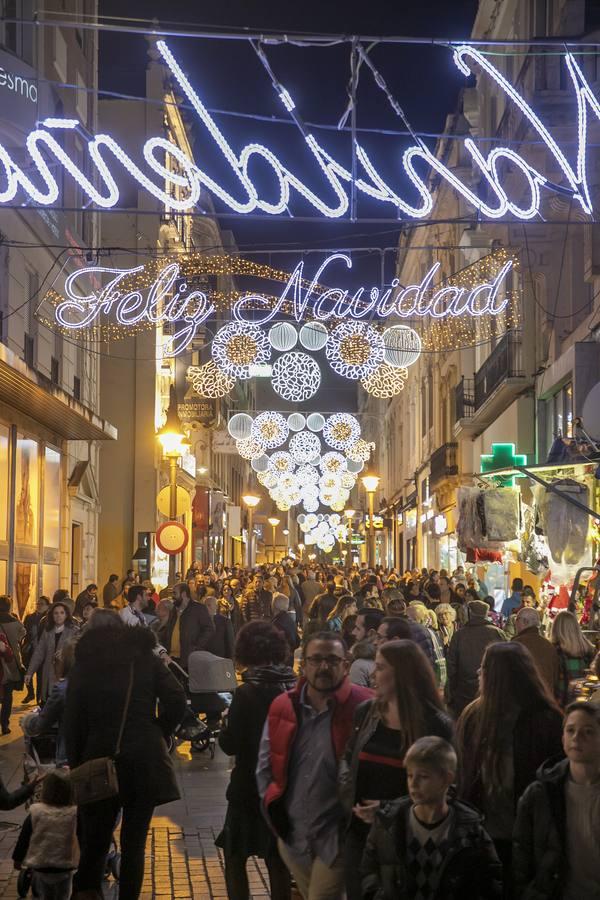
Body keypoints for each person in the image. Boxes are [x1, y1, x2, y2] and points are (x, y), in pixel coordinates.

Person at [65, 609, 186, 900]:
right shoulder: (145, 658)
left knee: (94, 842)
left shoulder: (85, 664)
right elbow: (177, 697)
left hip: (97, 758)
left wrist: (77, 762)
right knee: (134, 843)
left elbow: (73, 721)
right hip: (142, 760)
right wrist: (160, 730)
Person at [257, 632, 372, 900]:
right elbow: (265, 764)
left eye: (332, 660)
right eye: (316, 659)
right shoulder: (284, 706)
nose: (323, 667)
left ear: (346, 664)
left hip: (338, 835)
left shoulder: (364, 705)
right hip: (294, 835)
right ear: (303, 664)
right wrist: (272, 809)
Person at [339, 640, 454, 900]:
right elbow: (348, 758)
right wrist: (348, 798)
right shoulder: (366, 713)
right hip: (360, 835)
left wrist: (389, 810)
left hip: (410, 839)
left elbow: (448, 786)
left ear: (402, 673)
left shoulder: (435, 724)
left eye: (380, 667)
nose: (372, 674)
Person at [456, 642, 563, 871]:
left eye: (484, 668)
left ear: (498, 675)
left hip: (528, 834)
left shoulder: (544, 720)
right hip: (483, 831)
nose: (478, 673)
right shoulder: (474, 715)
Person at [360, 737, 503, 900]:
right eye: (410, 775)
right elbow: (369, 870)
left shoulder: (470, 831)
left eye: (423, 776)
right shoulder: (389, 823)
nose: (413, 784)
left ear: (447, 779)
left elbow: (490, 883)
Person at [216, 622, 296, 900]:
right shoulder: (293, 686)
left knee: (235, 855)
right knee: (277, 859)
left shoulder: (247, 693)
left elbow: (231, 743)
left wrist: (225, 724)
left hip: (248, 786)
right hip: (284, 785)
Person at [513, 702, 600, 900]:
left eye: (588, 732)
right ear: (562, 738)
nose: (577, 738)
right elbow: (522, 854)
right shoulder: (541, 794)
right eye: (570, 730)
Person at [12, 770, 79, 900]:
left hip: (40, 866)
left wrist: (18, 860)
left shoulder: (36, 812)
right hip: (65, 867)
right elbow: (82, 838)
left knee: (40, 895)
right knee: (63, 895)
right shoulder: (75, 814)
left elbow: (24, 839)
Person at [446, 599, 506, 716]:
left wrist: (453, 691)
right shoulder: (497, 633)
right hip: (491, 689)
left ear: (469, 613)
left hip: (464, 692)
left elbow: (451, 666)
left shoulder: (459, 635)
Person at [21, 642, 76, 766]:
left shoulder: (62, 690)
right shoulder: (96, 684)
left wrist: (27, 720)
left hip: (68, 755)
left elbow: (40, 724)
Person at [24, 601, 77, 703]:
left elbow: (79, 650)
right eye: (56, 613)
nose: (59, 616)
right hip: (49, 673)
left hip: (66, 674)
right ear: (52, 615)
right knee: (48, 702)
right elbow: (39, 653)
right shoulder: (48, 631)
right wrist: (30, 672)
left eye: (62, 613)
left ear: (66, 615)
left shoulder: (74, 631)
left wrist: (67, 652)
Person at [158, 582, 214, 671]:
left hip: (188, 660)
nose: (172, 596)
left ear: (183, 594)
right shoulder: (173, 610)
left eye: (175, 593)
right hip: (171, 659)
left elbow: (209, 629)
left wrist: (196, 647)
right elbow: (167, 630)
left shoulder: (198, 608)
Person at [512, 607, 560, 698]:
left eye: (517, 619)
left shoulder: (516, 645)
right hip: (546, 700)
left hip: (522, 701)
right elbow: (554, 678)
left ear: (525, 622)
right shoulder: (548, 646)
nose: (515, 623)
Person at [550, 609, 595, 705]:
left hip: (562, 706)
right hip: (585, 707)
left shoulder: (554, 652)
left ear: (556, 629)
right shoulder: (589, 651)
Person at [0, 596, 25, 732]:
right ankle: (4, 724)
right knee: (8, 696)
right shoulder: (15, 622)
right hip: (11, 661)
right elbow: (23, 634)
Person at [22, 596, 50, 703]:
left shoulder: (49, 618)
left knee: (40, 676)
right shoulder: (30, 617)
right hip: (30, 648)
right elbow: (25, 631)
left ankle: (39, 697)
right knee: (27, 671)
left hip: (42, 651)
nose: (39, 606)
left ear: (47, 606)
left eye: (42, 604)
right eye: (38, 604)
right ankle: (30, 693)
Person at [349, 609, 385, 686]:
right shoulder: (391, 662)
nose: (353, 632)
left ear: (371, 633)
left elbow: (358, 696)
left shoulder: (359, 666)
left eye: (358, 628)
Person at [204, 593, 235, 659]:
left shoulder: (225, 621)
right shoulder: (200, 621)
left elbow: (230, 644)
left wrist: (231, 661)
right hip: (205, 658)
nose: (206, 607)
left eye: (209, 605)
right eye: (205, 605)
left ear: (216, 606)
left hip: (220, 658)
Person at [271, 593, 299, 663]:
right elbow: (297, 640)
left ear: (275, 605)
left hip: (281, 661)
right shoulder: (289, 620)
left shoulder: (277, 622)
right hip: (289, 659)